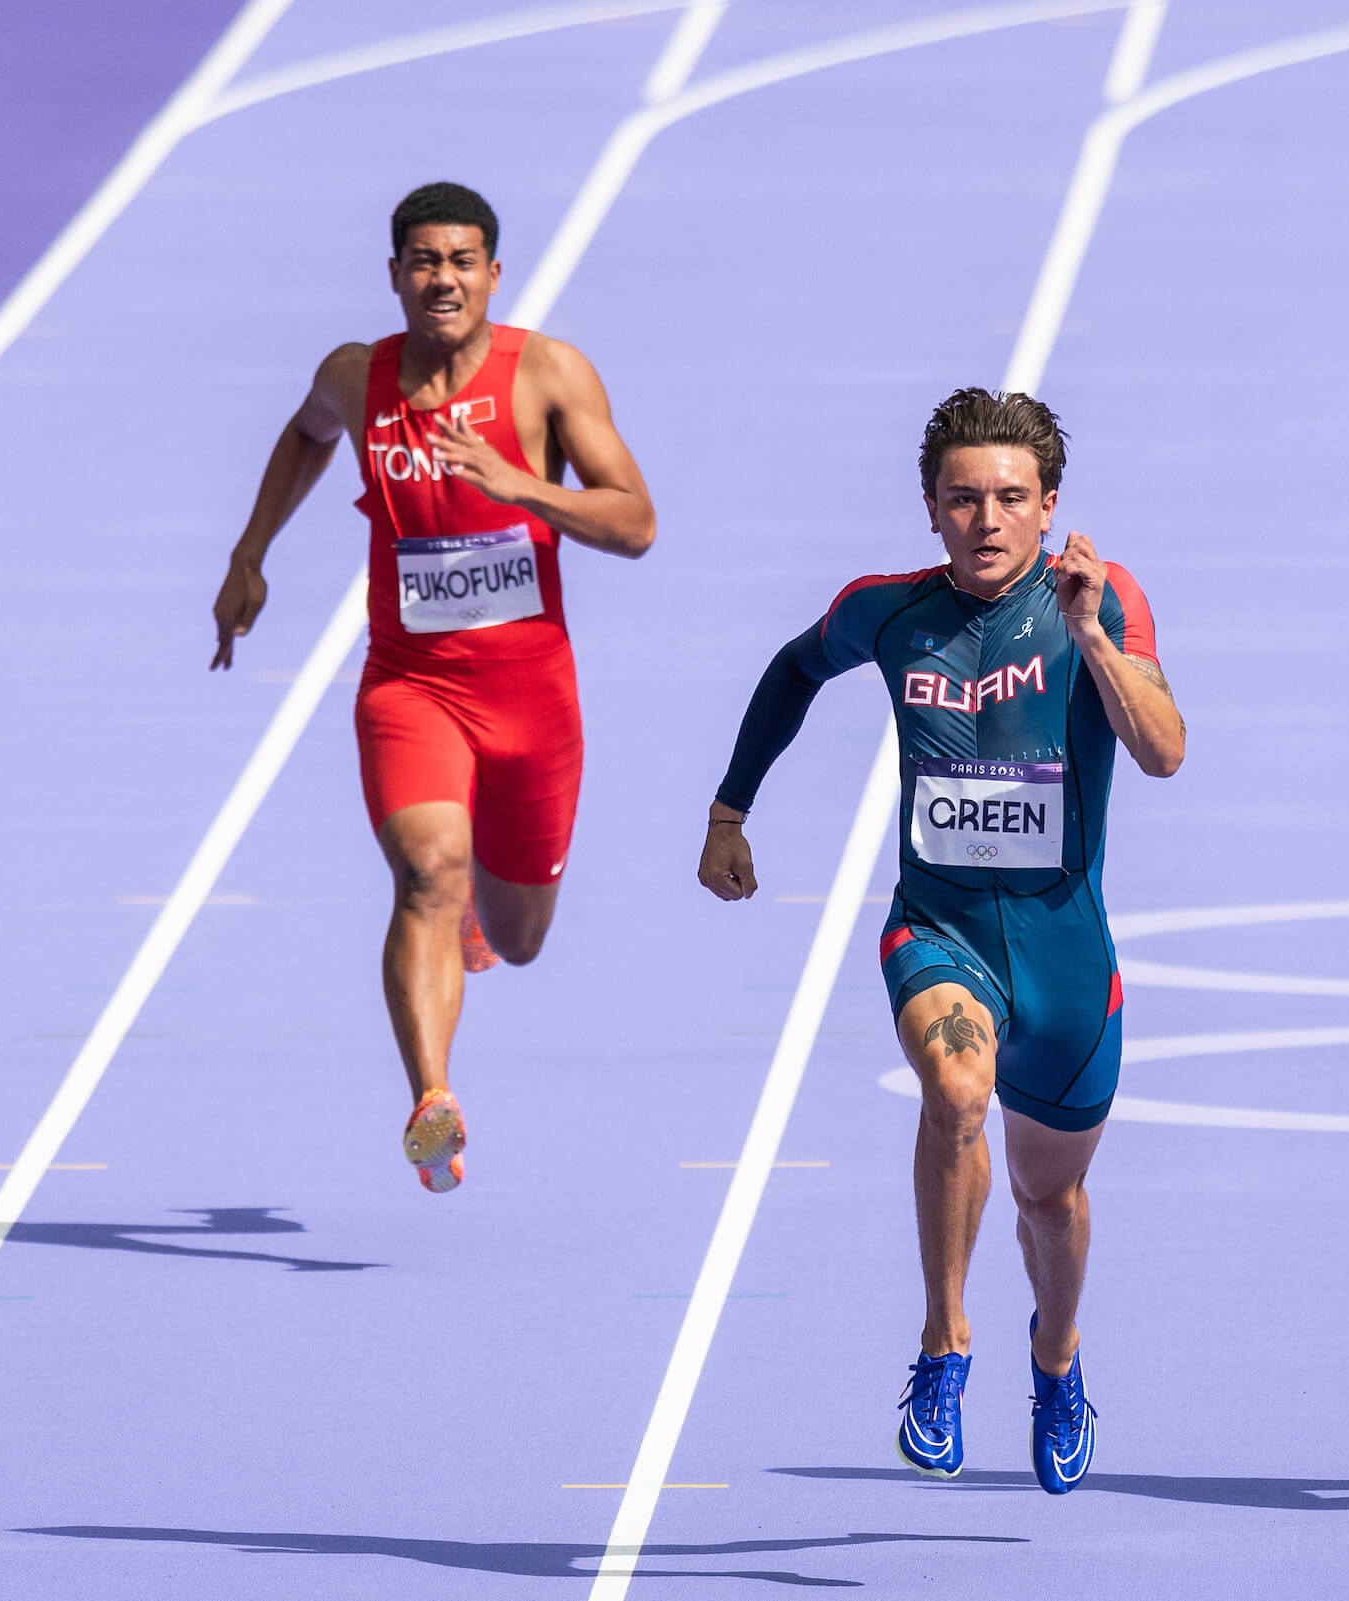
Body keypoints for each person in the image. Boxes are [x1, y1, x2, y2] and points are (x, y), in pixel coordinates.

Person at [697, 388, 1182, 1494]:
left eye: (1012, 497)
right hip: (939, 929)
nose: (987, 519)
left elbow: (1162, 751)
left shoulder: (1103, 604)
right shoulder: (888, 611)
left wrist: (1093, 633)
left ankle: (1055, 1361)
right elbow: (791, 671)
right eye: (963, 498)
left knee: (1049, 1199)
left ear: (1050, 504)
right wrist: (731, 812)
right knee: (956, 1092)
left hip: (1067, 966)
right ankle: (943, 1342)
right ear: (931, 507)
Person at [211, 181, 656, 1194]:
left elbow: (635, 522)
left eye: (460, 261)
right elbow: (305, 432)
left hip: (532, 697)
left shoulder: (544, 374)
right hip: (410, 684)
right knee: (424, 869)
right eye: (422, 260)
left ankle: (474, 926)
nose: (441, 278)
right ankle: (432, 1100)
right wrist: (249, 555)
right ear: (395, 275)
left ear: (493, 274)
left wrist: (524, 487)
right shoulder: (356, 374)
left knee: (518, 936)